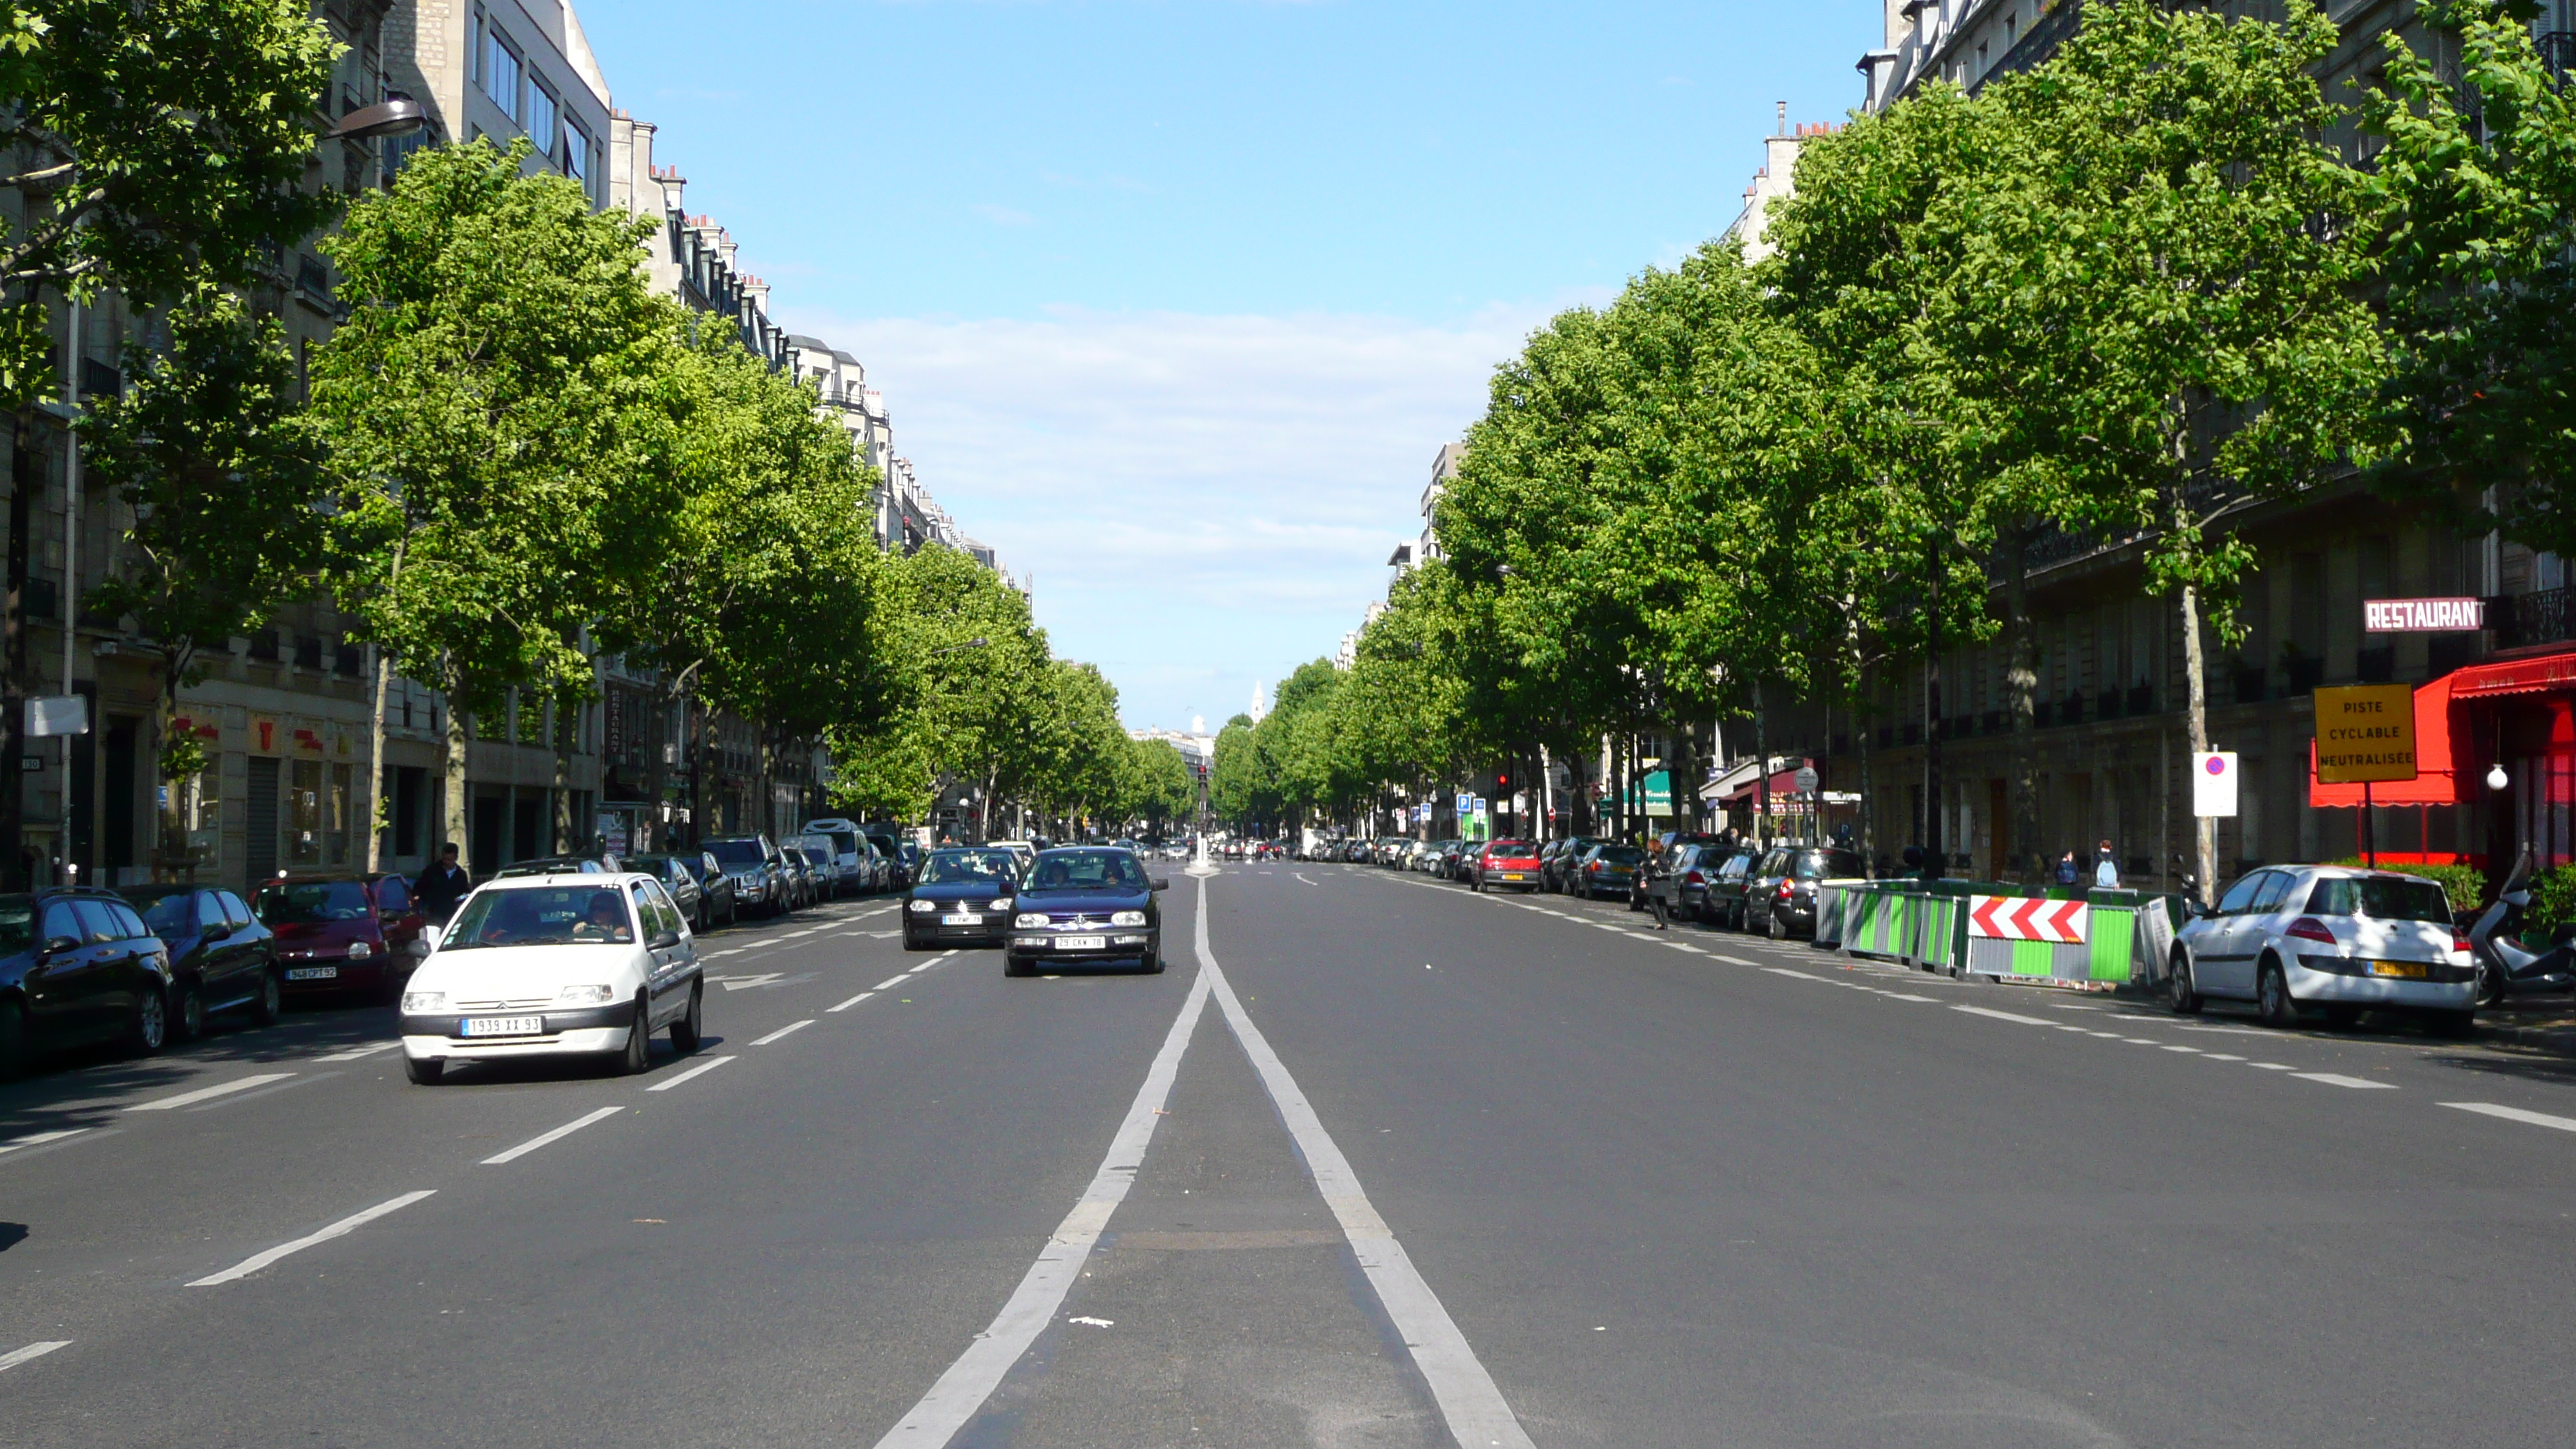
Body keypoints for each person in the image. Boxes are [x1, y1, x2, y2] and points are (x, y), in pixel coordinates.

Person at [416, 842, 470, 925]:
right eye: (444, 859)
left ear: (456, 858)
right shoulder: (431, 871)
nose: (446, 862)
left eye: (449, 860)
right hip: (433, 915)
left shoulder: (461, 875)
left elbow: (465, 893)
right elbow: (420, 887)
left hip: (451, 915)